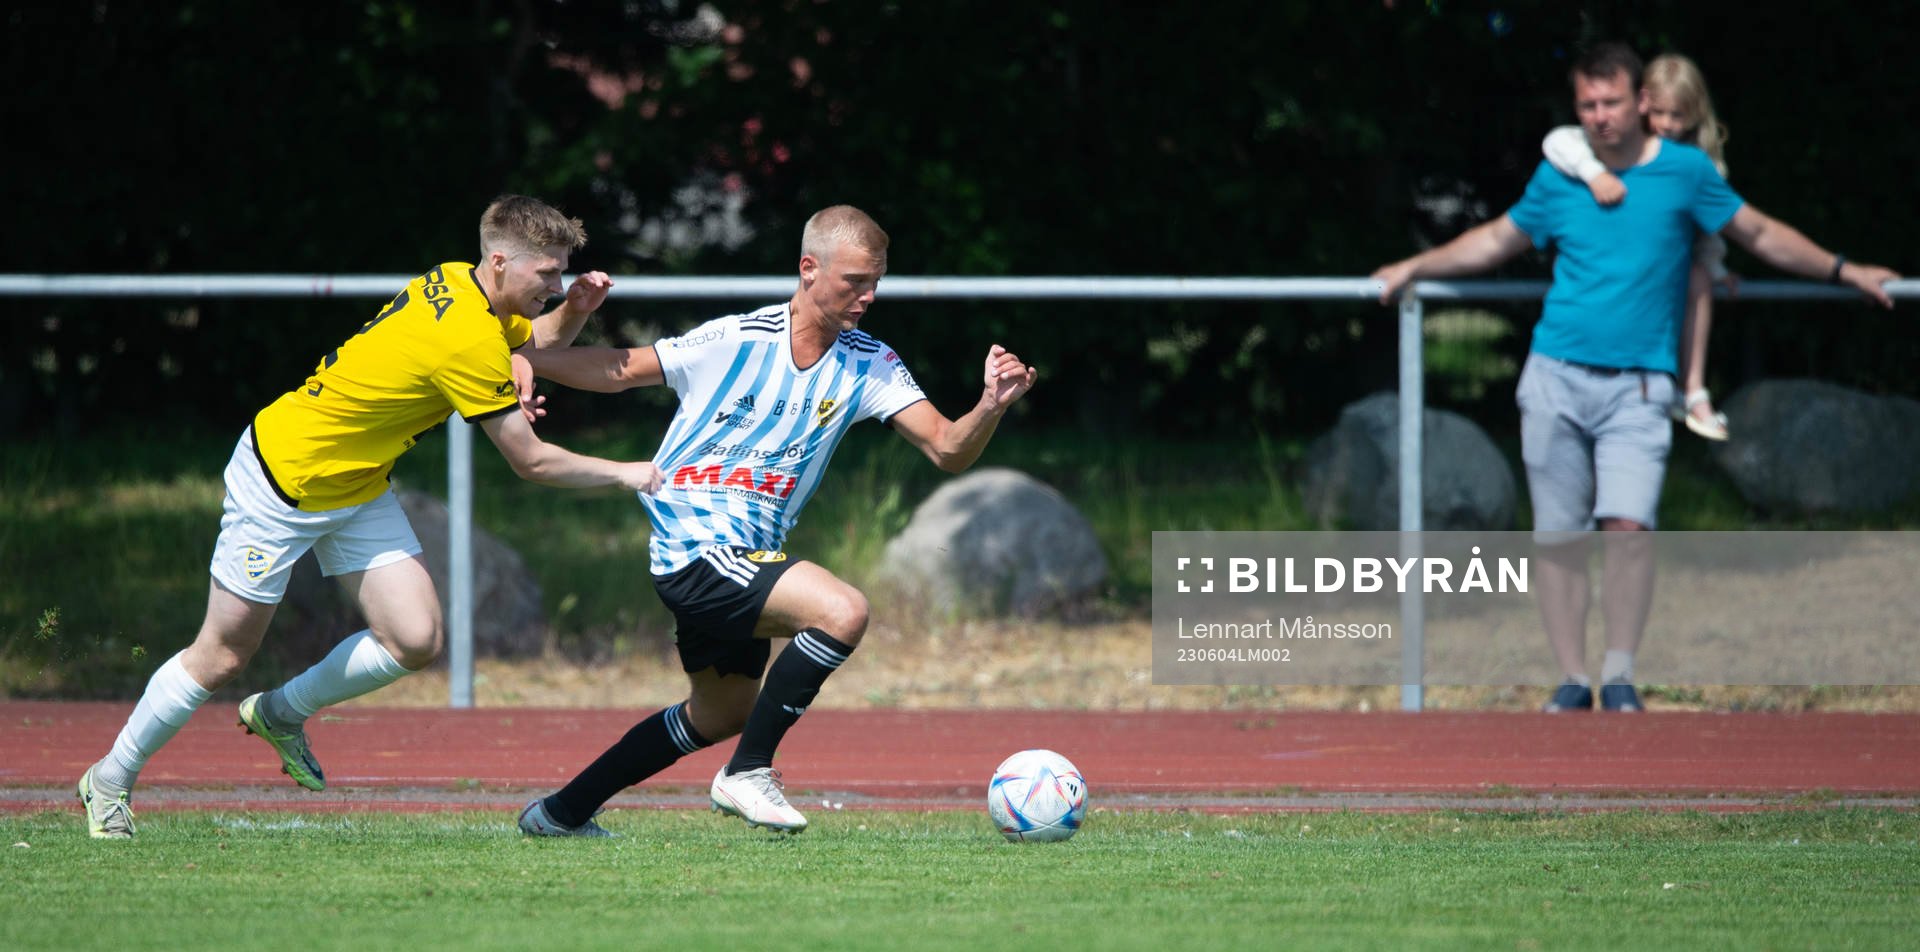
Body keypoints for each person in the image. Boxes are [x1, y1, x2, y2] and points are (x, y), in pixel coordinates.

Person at [75, 196, 666, 840]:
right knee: (221, 656)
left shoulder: (459, 281)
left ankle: (280, 713)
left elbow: (537, 347)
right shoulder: (464, 337)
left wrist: (575, 310)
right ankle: (109, 779)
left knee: (413, 638)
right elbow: (531, 463)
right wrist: (629, 472)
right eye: (546, 275)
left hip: (356, 484)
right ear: (499, 262)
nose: (554, 286)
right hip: (284, 480)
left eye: (561, 274)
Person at [1371, 43, 1900, 713]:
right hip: (1556, 377)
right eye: (1587, 105)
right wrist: (1414, 266)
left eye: (1611, 102)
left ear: (1641, 102)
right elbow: (1494, 239)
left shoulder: (1684, 171)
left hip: (1639, 388)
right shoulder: (1559, 175)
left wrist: (1844, 269)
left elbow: (1758, 233)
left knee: (1629, 529)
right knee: (1558, 537)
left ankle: (1619, 673)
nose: (1599, 116)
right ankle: (1570, 678)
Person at [512, 205, 1036, 836]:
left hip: (747, 556)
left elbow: (948, 449)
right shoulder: (737, 339)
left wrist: (989, 405)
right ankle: (747, 772)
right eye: (855, 281)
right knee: (842, 610)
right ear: (808, 269)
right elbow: (620, 370)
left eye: (876, 283)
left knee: (720, 712)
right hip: (696, 546)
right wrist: (520, 359)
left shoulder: (870, 362)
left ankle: (560, 813)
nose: (867, 297)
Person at [1542, 52, 1737, 440]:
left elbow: (1712, 232)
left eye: (1676, 116)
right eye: (1658, 113)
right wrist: (1594, 174)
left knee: (1697, 278)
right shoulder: (1615, 147)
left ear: (1695, 115)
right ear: (1643, 104)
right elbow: (1557, 141)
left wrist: (1716, 270)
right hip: (1625, 283)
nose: (1665, 125)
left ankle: (1693, 389)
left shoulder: (1699, 166)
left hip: (1675, 268)